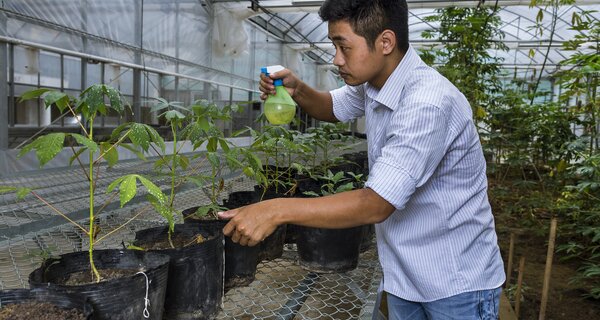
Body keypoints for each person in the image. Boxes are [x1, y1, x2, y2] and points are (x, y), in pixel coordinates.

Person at [218, 0, 505, 318]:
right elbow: (330, 107)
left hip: (455, 283)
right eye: (333, 45)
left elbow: (375, 204)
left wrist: (276, 209)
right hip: (405, 275)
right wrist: (297, 89)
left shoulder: (427, 102)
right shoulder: (374, 82)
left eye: (344, 47)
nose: (336, 59)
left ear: (385, 42)